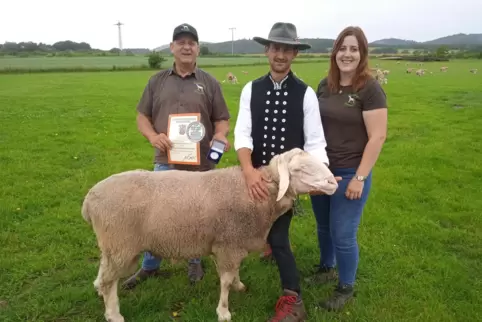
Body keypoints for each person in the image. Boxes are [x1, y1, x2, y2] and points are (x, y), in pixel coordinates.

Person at [122, 23, 231, 289]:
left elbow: (222, 119)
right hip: (166, 160)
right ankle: (150, 266)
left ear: (198, 49)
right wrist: (152, 136)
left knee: (198, 215)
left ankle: (194, 260)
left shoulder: (210, 82)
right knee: (156, 216)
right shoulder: (156, 81)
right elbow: (142, 117)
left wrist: (220, 135)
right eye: (180, 42)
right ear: (172, 47)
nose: (186, 46)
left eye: (191, 43)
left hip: (202, 164)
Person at [234, 22, 330, 322]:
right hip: (257, 177)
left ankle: (293, 300)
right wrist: (248, 171)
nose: (280, 54)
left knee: (278, 239)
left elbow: (315, 141)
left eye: (287, 49)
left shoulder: (306, 94)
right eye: (276, 48)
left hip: (285, 182)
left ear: (294, 54)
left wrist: (320, 176)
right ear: (267, 50)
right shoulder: (251, 89)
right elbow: (243, 133)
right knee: (246, 227)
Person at [307, 26, 388, 311]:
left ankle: (345, 286)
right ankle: (326, 267)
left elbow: (378, 136)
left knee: (343, 234)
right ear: (335, 52)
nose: (347, 54)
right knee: (324, 227)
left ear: (362, 54)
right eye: (343, 48)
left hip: (351, 172)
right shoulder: (324, 86)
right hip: (322, 170)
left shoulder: (370, 89)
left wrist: (360, 178)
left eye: (354, 49)